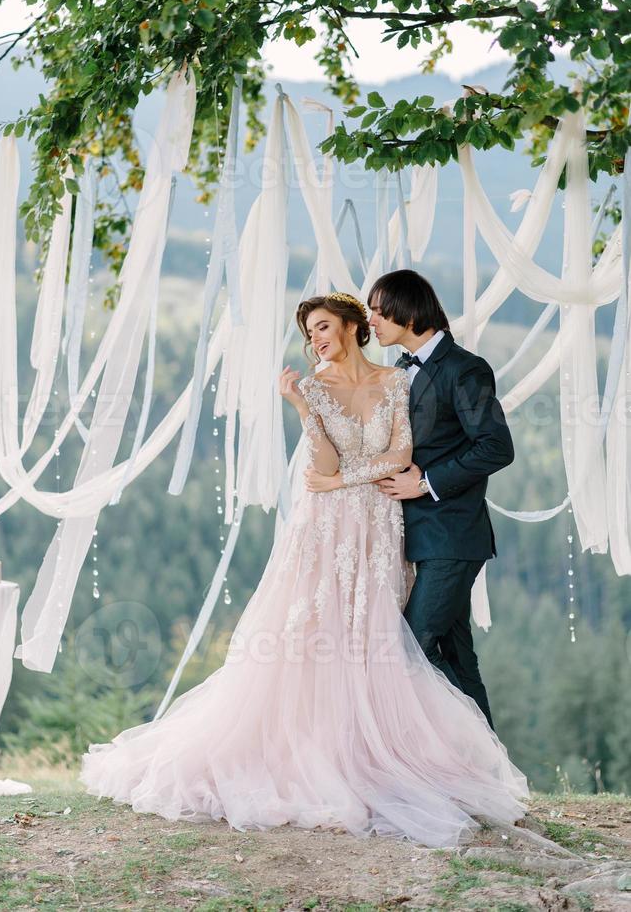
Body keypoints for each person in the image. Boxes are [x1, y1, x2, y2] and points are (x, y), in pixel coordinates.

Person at [81, 292, 528, 846]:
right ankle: (330, 756)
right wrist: (302, 408)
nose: (315, 339)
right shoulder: (313, 388)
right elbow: (321, 465)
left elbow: (400, 456)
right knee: (318, 634)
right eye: (308, 331)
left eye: (322, 326)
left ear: (349, 327)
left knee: (382, 637)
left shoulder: (396, 382)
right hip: (327, 529)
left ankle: (419, 757)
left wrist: (343, 481)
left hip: (381, 526)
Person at [368, 270, 515, 730]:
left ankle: (440, 767)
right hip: (420, 539)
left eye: (377, 309)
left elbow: (496, 447)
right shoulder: (399, 372)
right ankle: (488, 774)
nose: (371, 319)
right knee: (455, 657)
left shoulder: (465, 369)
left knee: (409, 647)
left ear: (407, 310)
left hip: (453, 534)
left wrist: (426, 482)